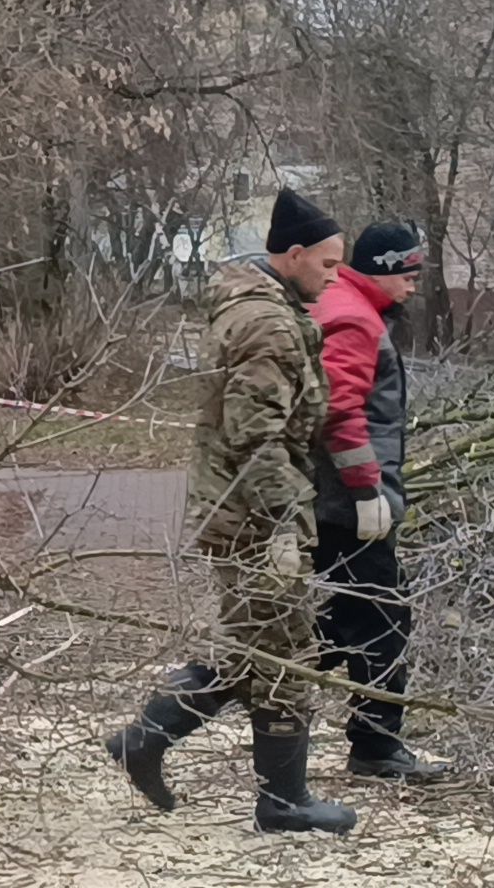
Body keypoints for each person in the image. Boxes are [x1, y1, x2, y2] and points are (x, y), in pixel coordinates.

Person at [104, 188, 357, 834]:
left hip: (237, 508)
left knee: (254, 646)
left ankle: (150, 736)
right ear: (294, 255)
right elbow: (257, 436)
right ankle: (283, 799)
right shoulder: (267, 323)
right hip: (254, 516)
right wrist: (281, 527)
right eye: (328, 265)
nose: (334, 278)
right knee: (284, 650)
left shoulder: (262, 307)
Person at [310, 223, 449, 783]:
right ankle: (375, 748)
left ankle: (174, 713)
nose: (414, 288)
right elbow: (340, 412)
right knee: (384, 624)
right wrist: (368, 490)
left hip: (340, 501)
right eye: (410, 276)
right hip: (349, 506)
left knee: (332, 629)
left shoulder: (349, 306)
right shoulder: (353, 317)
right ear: (386, 270)